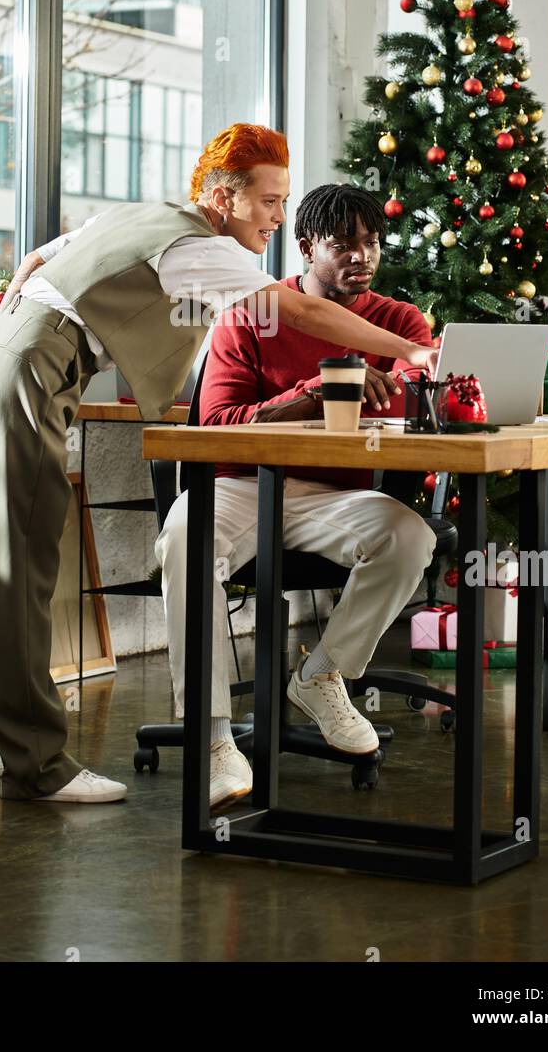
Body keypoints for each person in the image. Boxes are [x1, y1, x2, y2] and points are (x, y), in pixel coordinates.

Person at [0, 126, 437, 803]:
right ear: (224, 196)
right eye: (270, 201)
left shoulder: (142, 217)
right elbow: (302, 310)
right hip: (33, 372)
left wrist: (13, 333)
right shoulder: (198, 245)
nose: (279, 218)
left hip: (1, 361)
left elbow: (36, 262)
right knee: (25, 560)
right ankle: (36, 766)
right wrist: (411, 350)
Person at [155, 183, 438, 809]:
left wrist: (401, 393)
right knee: (184, 536)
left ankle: (321, 675)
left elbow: (421, 405)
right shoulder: (251, 313)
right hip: (243, 484)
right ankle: (212, 738)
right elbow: (218, 423)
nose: (362, 257)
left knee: (409, 535)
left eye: (373, 244)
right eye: (344, 245)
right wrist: (312, 394)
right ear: (306, 247)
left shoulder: (398, 321)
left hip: (335, 496)